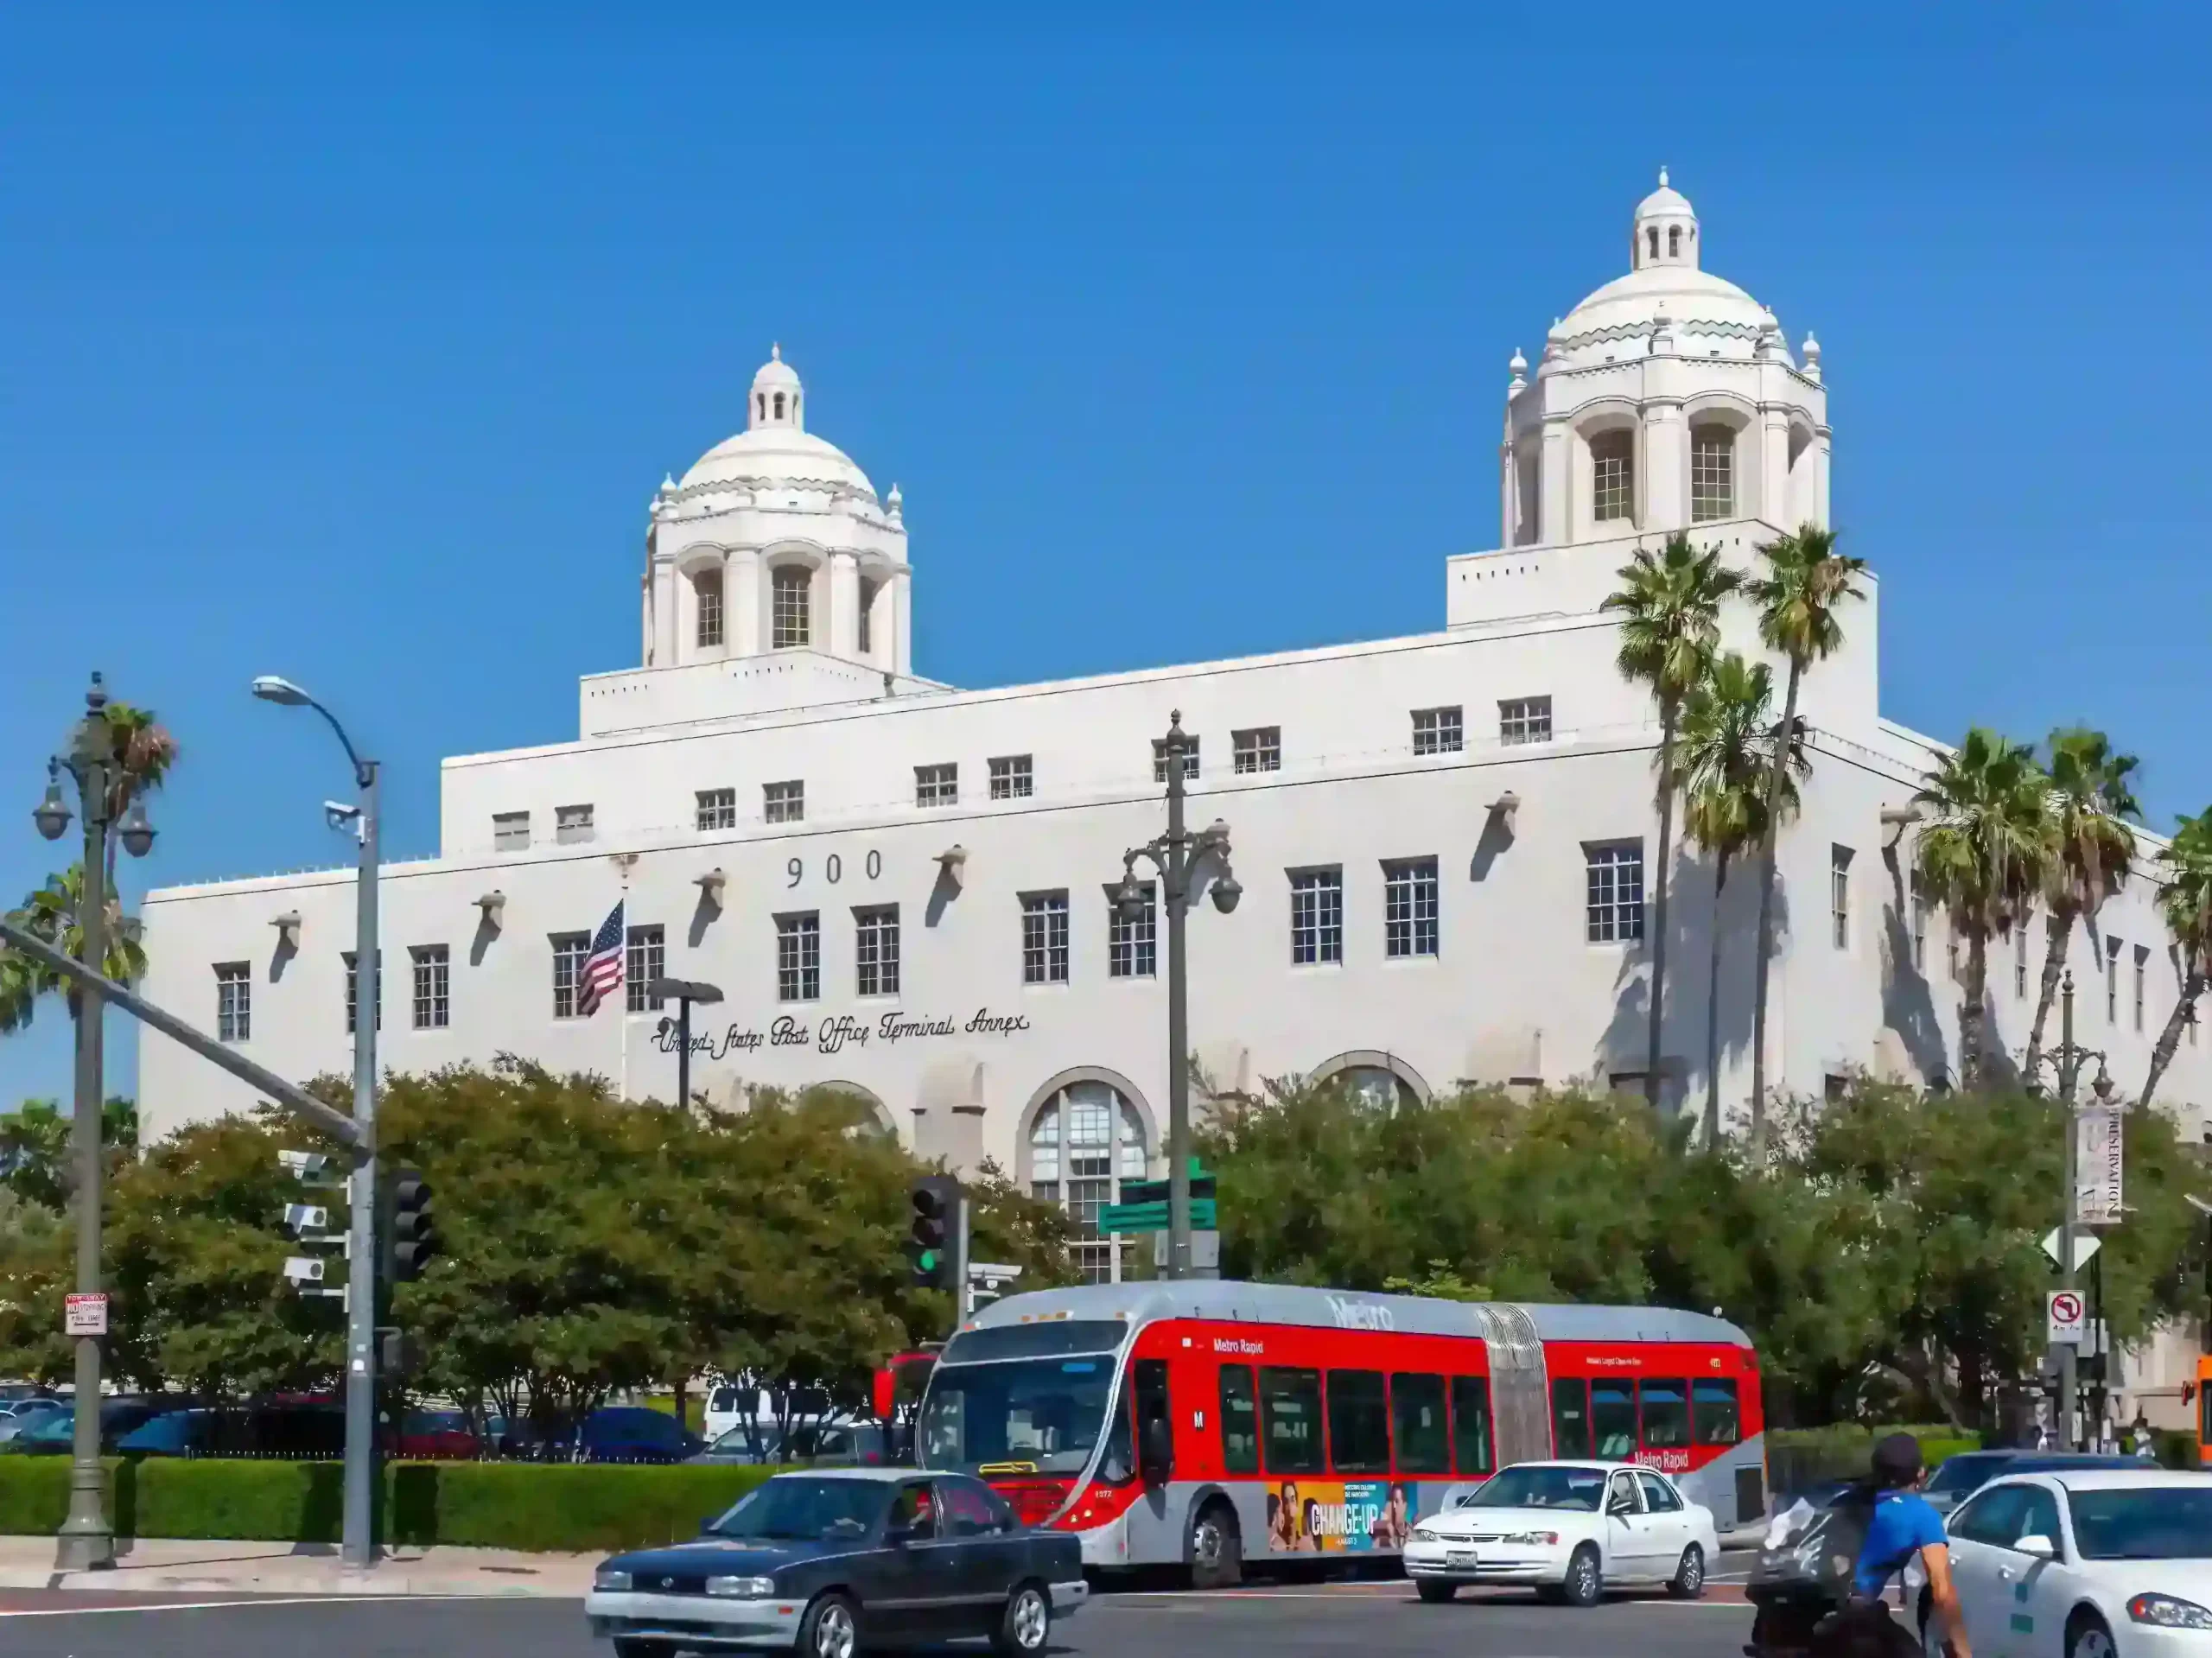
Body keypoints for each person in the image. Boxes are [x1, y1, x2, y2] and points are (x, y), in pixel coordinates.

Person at [1847, 1433, 1969, 1658]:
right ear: (1920, 1474)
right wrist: (1960, 1653)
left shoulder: (1848, 1500)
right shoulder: (1921, 1515)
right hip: (1855, 1620)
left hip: (1811, 1613)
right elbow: (1942, 1593)